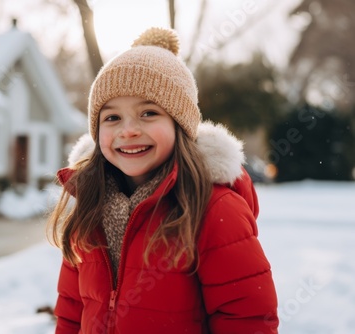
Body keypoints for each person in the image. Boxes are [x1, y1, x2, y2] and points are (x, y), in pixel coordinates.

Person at [48, 27, 279, 334]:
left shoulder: (213, 210)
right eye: (112, 117)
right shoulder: (91, 207)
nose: (128, 130)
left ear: (179, 125)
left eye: (148, 113)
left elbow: (246, 319)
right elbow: (71, 312)